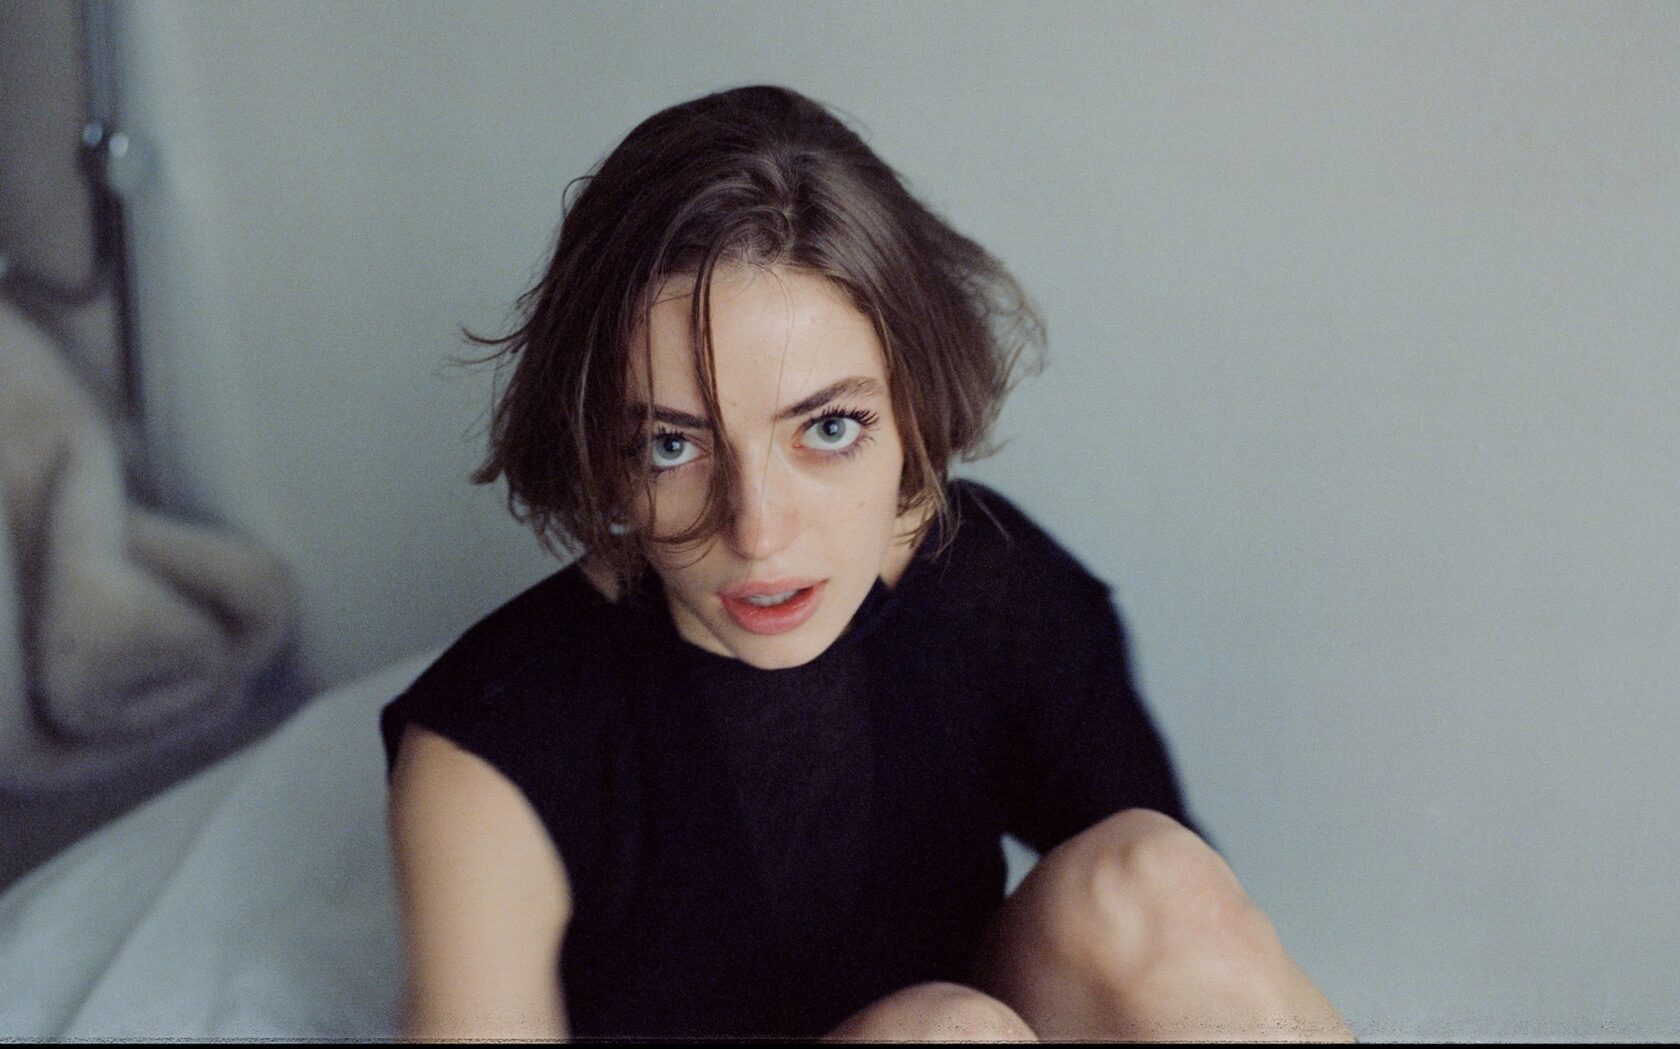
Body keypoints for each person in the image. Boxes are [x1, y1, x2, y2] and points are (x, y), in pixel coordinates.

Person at [380, 84, 1354, 1042]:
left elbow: (1184, 974)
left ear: (913, 408)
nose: (759, 532)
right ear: (600, 443)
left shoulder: (987, 584)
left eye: (829, 427)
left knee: (1153, 880)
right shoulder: (494, 748)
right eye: (673, 444)